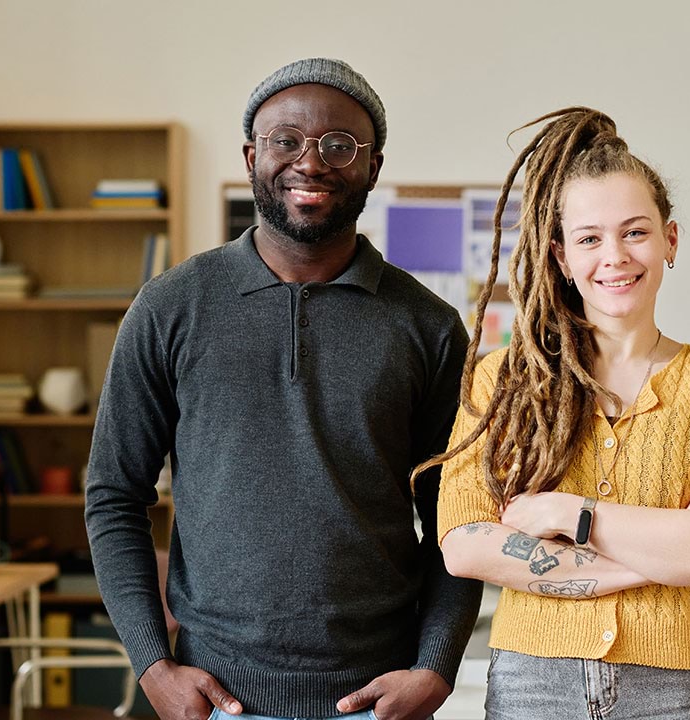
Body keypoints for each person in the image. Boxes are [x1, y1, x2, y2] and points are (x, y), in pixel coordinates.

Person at [84, 57, 482, 720]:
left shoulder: (428, 326)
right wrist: (153, 666)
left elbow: (460, 519)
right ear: (251, 157)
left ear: (373, 166)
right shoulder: (171, 307)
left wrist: (435, 669)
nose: (311, 162)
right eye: (286, 141)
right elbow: (113, 497)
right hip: (216, 700)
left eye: (338, 145)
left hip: (379, 701)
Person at [424, 107, 690, 720]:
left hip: (678, 688)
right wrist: (668, 550)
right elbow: (463, 544)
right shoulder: (504, 380)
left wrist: (569, 513)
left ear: (670, 240)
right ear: (560, 257)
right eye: (589, 238)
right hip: (535, 683)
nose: (614, 256)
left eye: (635, 232)